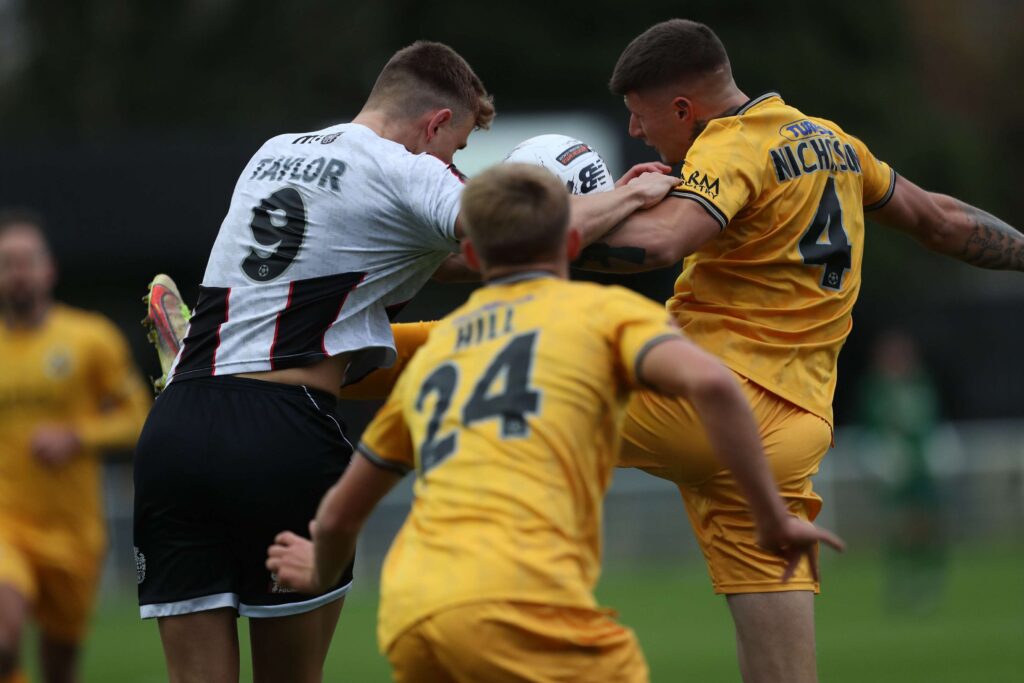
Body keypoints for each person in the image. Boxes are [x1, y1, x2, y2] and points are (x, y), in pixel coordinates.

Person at [133, 40, 678, 683]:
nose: (457, 163)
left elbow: (441, 258)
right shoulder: (407, 170)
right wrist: (630, 196)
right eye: (461, 147)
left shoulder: (272, 153)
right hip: (278, 429)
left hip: (175, 429)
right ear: (436, 124)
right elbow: (525, 239)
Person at [568, 18, 1024, 683]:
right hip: (792, 433)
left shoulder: (729, 148)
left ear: (683, 109)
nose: (635, 133)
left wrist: (509, 238)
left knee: (470, 364)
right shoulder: (834, 144)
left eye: (640, 117)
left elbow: (662, 242)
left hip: (706, 400)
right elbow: (940, 220)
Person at [265, 163, 843, 683]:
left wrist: (319, 565)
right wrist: (771, 518)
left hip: (414, 615)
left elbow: (344, 508)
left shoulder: (442, 354)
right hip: (527, 608)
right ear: (574, 241)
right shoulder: (602, 314)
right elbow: (714, 384)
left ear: (477, 259)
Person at [0, 210, 151, 683]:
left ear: (49, 270)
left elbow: (138, 417)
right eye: (7, 262)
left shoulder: (90, 339)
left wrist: (76, 437)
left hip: (73, 532)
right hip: (7, 523)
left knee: (60, 667)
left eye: (27, 260)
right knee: (2, 640)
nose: (18, 272)